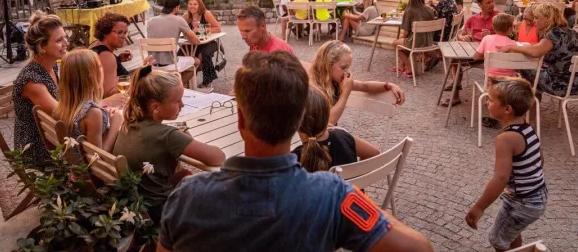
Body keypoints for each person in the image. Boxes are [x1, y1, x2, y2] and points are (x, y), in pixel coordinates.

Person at [157, 51, 433, 252]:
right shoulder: (331, 195)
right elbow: (419, 248)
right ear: (300, 117)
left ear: (240, 118)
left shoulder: (187, 197)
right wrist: (359, 201)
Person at [114, 67, 225, 224]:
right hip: (164, 210)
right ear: (155, 107)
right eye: (177, 100)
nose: (183, 105)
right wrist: (186, 137)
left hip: (141, 206)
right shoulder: (167, 135)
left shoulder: (129, 123)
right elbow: (218, 158)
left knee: (187, 175)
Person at [466, 77, 547, 252]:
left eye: (491, 99)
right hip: (538, 194)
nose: (487, 102)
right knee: (510, 233)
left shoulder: (506, 138)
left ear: (507, 109)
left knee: (497, 239)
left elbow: (501, 177)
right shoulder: (528, 128)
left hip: (523, 201)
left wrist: (479, 207)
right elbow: (540, 160)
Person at [12, 11, 67, 166]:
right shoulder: (32, 80)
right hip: (39, 151)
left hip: (53, 138)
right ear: (42, 46)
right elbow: (61, 114)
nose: (66, 43)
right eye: (59, 40)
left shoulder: (52, 67)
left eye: (65, 37)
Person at [309, 40, 405, 125]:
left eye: (348, 67)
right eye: (343, 67)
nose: (347, 72)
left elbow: (365, 86)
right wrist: (346, 93)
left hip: (329, 134)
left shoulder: (335, 81)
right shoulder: (314, 88)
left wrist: (388, 85)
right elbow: (330, 121)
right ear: (327, 65)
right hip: (315, 139)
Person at [292, 85, 380, 172]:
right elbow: (374, 153)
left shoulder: (294, 160)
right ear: (326, 116)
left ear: (296, 125)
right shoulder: (343, 136)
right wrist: (356, 176)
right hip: (351, 186)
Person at [499, 3, 578, 97]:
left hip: (559, 85)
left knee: (525, 67)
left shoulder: (554, 33)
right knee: (535, 71)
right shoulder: (571, 31)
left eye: (537, 17)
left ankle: (526, 104)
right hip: (574, 84)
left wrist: (511, 47)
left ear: (547, 18)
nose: (534, 21)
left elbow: (535, 52)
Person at [54, 49, 122, 152]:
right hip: (88, 167)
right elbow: (97, 159)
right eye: (99, 66)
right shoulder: (92, 113)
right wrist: (115, 125)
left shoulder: (62, 108)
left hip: (73, 163)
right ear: (91, 76)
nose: (102, 69)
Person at [147, 0, 199, 70]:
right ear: (176, 8)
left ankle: (174, 80)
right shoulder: (179, 20)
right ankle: (178, 81)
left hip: (152, 66)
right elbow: (196, 41)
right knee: (196, 61)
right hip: (171, 65)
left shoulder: (150, 21)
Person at [182, 0, 223, 89]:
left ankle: (207, 80)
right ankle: (186, 80)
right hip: (193, 43)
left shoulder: (206, 14)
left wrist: (202, 29)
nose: (192, 6)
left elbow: (218, 28)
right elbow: (180, 29)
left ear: (200, 5)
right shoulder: (186, 16)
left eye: (195, 4)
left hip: (209, 42)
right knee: (181, 53)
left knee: (204, 53)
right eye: (190, 4)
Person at [90, 13, 134, 98]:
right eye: (120, 32)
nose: (124, 37)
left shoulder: (94, 45)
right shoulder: (107, 56)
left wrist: (117, 59)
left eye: (125, 33)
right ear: (105, 32)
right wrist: (137, 78)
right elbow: (108, 94)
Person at [392, 0, 435, 77]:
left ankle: (410, 68)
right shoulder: (429, 10)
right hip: (428, 42)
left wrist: (403, 38)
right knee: (405, 43)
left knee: (396, 44)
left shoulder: (410, 11)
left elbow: (405, 33)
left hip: (416, 42)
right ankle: (401, 66)